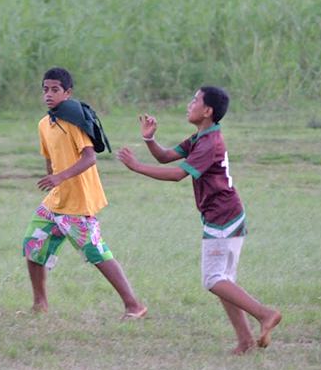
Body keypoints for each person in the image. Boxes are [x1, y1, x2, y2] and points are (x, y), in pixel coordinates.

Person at [117, 86, 282, 355]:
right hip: (224, 215)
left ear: (207, 111)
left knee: (213, 279)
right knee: (224, 281)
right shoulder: (201, 137)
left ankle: (265, 314)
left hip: (222, 218)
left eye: (194, 100)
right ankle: (245, 341)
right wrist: (150, 139)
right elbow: (166, 156)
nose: (189, 104)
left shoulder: (209, 143)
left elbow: (176, 175)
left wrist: (136, 167)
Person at [21, 67, 146, 319]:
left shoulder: (73, 121)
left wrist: (60, 177)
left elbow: (90, 158)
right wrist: (53, 179)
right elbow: (50, 159)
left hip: (78, 203)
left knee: (96, 252)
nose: (49, 94)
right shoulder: (44, 124)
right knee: (32, 246)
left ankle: (134, 305)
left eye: (55, 90)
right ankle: (39, 304)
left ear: (67, 93)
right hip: (55, 202)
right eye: (45, 90)